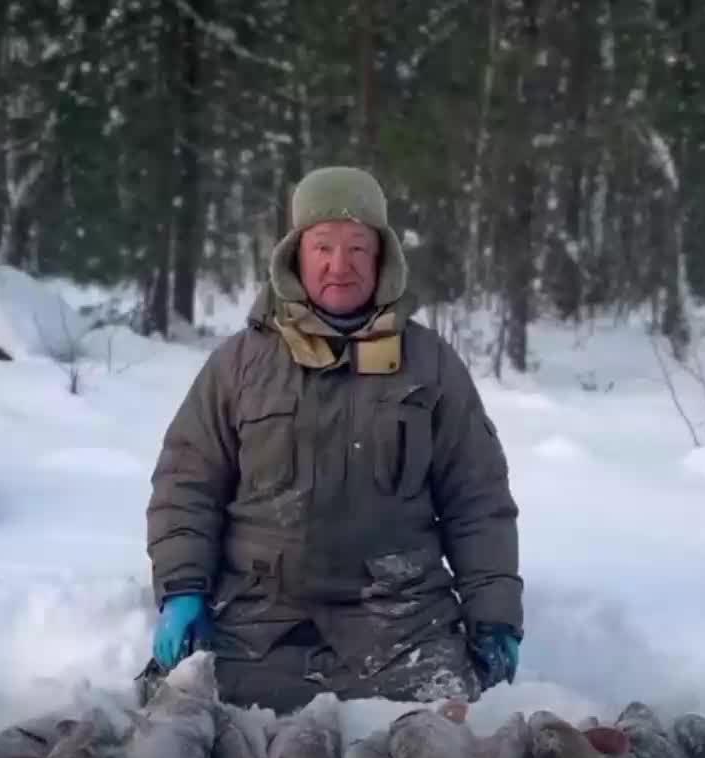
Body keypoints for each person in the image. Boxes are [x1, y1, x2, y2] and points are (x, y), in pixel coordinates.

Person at [145, 165, 523, 715]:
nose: (339, 267)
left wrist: (493, 615)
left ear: (383, 260)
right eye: (323, 247)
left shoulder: (430, 364)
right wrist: (182, 589)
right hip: (258, 622)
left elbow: (477, 500)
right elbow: (187, 482)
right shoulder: (241, 363)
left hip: (403, 623)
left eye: (358, 249)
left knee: (451, 740)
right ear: (295, 254)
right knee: (180, 727)